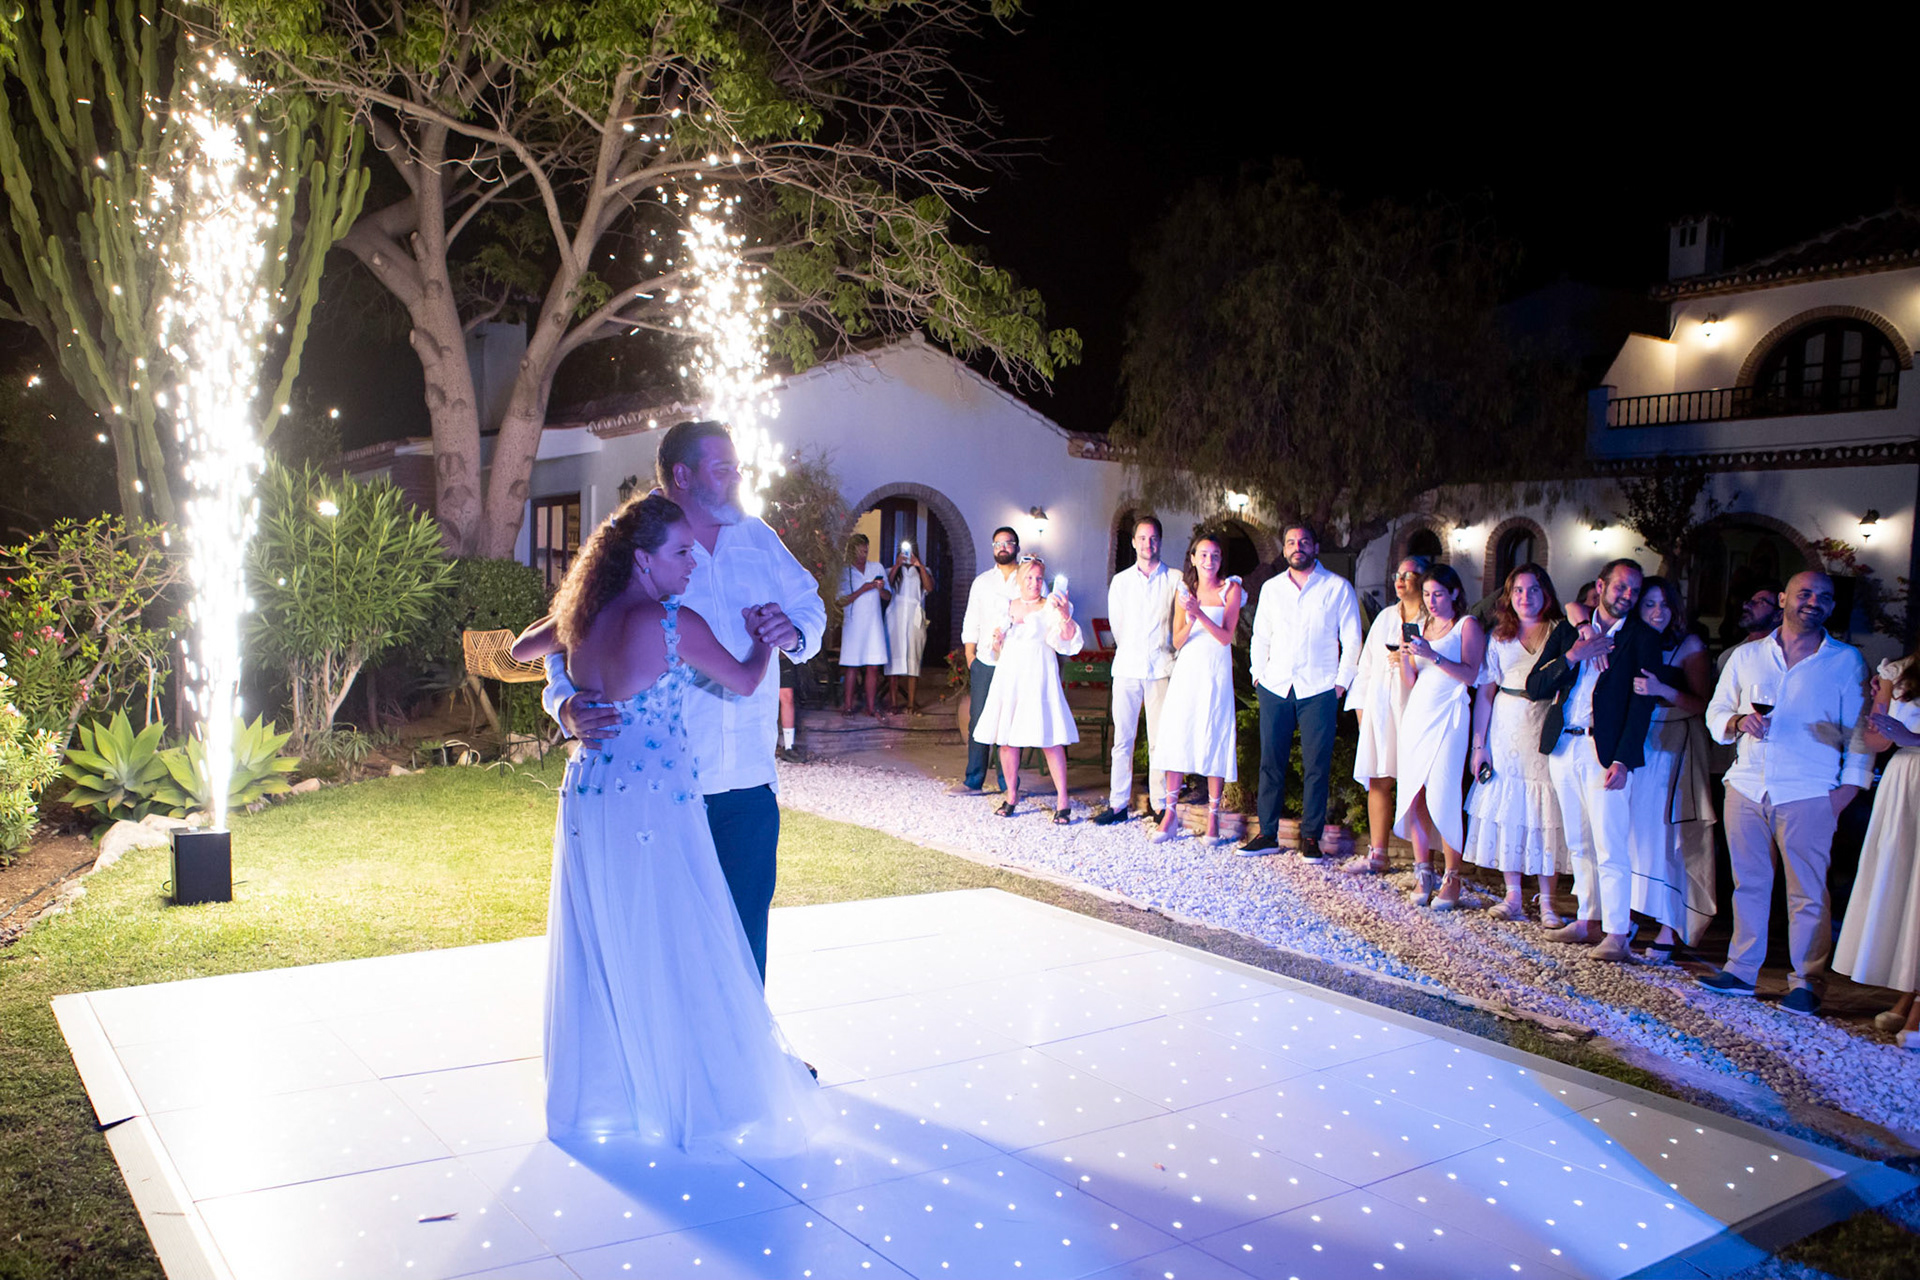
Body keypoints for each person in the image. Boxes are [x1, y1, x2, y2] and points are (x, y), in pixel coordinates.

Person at [519, 494, 821, 1150]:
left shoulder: (581, 615)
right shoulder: (672, 622)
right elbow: (745, 681)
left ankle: (616, 1091)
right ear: (642, 558)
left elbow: (522, 647)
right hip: (655, 796)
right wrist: (764, 642)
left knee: (607, 935)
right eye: (681, 552)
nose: (693, 562)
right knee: (677, 934)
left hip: (591, 791)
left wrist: (568, 698)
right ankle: (691, 1086)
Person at [538, 420, 826, 983]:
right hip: (665, 784)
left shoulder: (758, 537)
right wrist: (565, 704)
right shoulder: (636, 541)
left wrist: (792, 633)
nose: (738, 478)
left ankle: (744, 1039)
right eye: (724, 469)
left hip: (748, 777)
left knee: (745, 934)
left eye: (737, 468)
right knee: (665, 940)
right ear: (683, 475)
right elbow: (567, 630)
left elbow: (809, 605)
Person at [1699, 571, 1872, 1014]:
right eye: (1805, 593)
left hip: (1809, 790)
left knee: (1808, 894)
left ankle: (1807, 982)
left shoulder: (1846, 660)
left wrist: (1847, 790)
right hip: (1747, 785)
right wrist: (1738, 722)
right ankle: (1741, 970)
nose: (1814, 602)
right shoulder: (1747, 655)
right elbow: (1717, 710)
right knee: (1749, 885)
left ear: (1832, 607)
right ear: (1783, 599)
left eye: (1824, 597)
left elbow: (1859, 730)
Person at [1525, 559, 1679, 963]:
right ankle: (1588, 919)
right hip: (1564, 746)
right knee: (1578, 841)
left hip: (1604, 751)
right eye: (1620, 587)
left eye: (1634, 590)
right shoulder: (1570, 631)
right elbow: (1535, 685)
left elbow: (1641, 705)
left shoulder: (1642, 638)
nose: (1627, 596)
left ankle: (1616, 933)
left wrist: (1624, 760)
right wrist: (1574, 655)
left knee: (1610, 844)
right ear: (1601, 585)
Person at [1242, 521, 1363, 861]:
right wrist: (1258, 675)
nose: (1298, 547)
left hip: (1319, 687)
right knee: (1271, 762)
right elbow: (1260, 636)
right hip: (1276, 685)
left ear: (1315, 547)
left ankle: (1311, 837)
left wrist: (1341, 683)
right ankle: (1267, 834)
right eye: (1291, 542)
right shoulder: (1272, 589)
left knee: (1316, 766)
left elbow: (1352, 638)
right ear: (1284, 549)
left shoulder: (1337, 588)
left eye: (1304, 541)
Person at [1465, 563, 1570, 924]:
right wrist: (1479, 746)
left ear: (1546, 593)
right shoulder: (1499, 636)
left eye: (1533, 589)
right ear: (1509, 596)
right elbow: (1485, 694)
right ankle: (1512, 896)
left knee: (1545, 812)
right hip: (1506, 724)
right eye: (1519, 591)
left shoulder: (1560, 631)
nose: (1526, 597)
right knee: (1511, 808)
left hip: (1545, 721)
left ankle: (1548, 901)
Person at [1624, 577, 1718, 960]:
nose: (1657, 612)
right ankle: (1628, 912)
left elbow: (1704, 705)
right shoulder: (1630, 639)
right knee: (1635, 833)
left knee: (1668, 833)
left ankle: (1669, 924)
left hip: (1676, 744)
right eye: (1649, 604)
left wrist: (1663, 691)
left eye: (1664, 604)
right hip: (1639, 741)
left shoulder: (1689, 646)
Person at [1833, 642, 1920, 1046]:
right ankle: (1906, 993)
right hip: (1904, 782)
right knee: (1903, 887)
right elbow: (1876, 741)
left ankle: (1914, 1008)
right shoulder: (1897, 672)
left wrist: (1911, 735)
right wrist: (1878, 721)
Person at [1392, 564, 1486, 909]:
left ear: (1454, 593)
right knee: (1414, 792)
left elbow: (1471, 674)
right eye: (1428, 594)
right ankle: (1423, 871)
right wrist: (1406, 657)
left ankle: (1453, 876)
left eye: (1439, 594)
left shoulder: (1466, 625)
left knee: (1444, 793)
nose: (1431, 601)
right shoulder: (1422, 626)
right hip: (1417, 715)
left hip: (1449, 715)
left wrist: (1432, 654)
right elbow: (1411, 681)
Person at [970, 555, 1083, 821]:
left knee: (1050, 739)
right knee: (1007, 740)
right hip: (1010, 678)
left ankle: (1063, 800)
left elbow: (1067, 642)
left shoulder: (1051, 606)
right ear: (1020, 580)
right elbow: (996, 650)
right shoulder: (1007, 606)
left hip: (1038, 677)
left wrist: (1065, 616)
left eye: (1038, 578)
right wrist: (997, 641)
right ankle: (1011, 794)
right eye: (1029, 577)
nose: (1034, 583)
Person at [1149, 535, 1243, 843]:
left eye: (1214, 555)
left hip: (1215, 673)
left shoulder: (1231, 589)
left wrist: (1200, 613)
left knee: (1214, 733)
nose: (1208, 560)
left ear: (1220, 559)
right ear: (1193, 558)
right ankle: (1170, 814)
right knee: (1179, 735)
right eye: (1203, 554)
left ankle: (1213, 816)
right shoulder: (1185, 591)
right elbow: (1177, 641)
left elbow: (1226, 637)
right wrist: (1190, 618)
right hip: (1188, 672)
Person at [1343, 555, 1430, 873]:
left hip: (1415, 710)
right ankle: (1378, 854)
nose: (1401, 580)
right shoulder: (1384, 618)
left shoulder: (1431, 621)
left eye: (1409, 575)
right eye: (1398, 574)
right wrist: (1361, 711)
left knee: (1417, 785)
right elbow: (1366, 666)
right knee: (1379, 778)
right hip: (1381, 710)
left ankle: (1424, 862)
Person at [1094, 516, 1180, 825]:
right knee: (1123, 739)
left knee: (1158, 740)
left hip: (1161, 667)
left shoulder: (1175, 579)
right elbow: (1117, 625)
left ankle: (1159, 804)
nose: (1148, 543)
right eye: (1142, 538)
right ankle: (1118, 804)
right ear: (1133, 542)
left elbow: (1179, 622)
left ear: (1160, 541)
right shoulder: (1121, 582)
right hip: (1128, 667)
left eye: (1153, 538)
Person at [952, 526, 1023, 795]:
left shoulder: (1026, 578)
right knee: (979, 720)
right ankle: (974, 779)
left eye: (1008, 543)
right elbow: (971, 619)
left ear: (1016, 547)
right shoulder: (982, 582)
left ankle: (1009, 784)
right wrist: (970, 655)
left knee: (1010, 723)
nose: (1002, 548)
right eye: (997, 544)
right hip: (985, 660)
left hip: (1015, 661)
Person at [837, 534, 890, 715]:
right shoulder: (845, 571)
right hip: (853, 624)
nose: (863, 555)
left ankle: (870, 707)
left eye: (866, 551)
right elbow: (841, 601)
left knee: (873, 666)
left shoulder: (877, 567)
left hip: (873, 624)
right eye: (860, 551)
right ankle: (848, 706)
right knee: (852, 665)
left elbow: (888, 596)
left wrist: (880, 589)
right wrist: (863, 589)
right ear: (852, 550)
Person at [884, 540, 932, 713]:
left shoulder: (923, 571)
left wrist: (919, 566)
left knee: (913, 658)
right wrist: (897, 565)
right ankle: (893, 703)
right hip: (895, 616)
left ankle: (911, 703)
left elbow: (929, 588)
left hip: (913, 616)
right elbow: (887, 587)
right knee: (893, 660)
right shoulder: (891, 570)